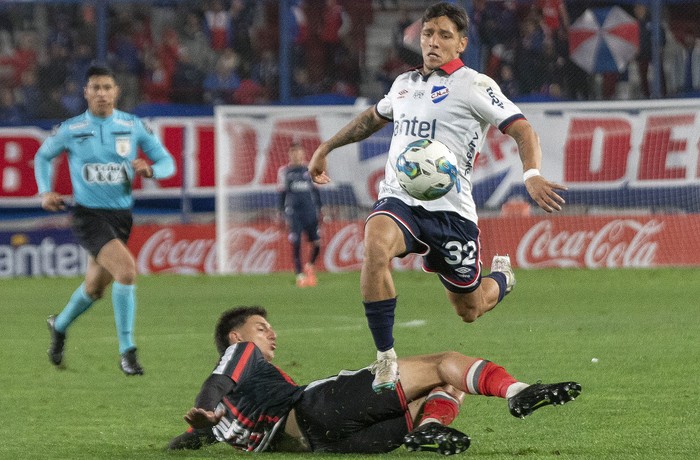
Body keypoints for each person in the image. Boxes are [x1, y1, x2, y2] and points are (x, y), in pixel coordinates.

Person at [308, 2, 568, 392]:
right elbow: (370, 119)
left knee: (471, 309)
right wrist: (326, 146)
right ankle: (386, 360)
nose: (433, 41)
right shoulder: (403, 84)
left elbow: (523, 130)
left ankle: (502, 278)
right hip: (400, 198)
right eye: (428, 33)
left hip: (451, 212)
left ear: (461, 43)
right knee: (375, 246)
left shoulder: (475, 85)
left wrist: (531, 175)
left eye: (445, 35)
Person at [167, 306, 581, 454]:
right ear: (237, 338)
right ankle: (519, 390)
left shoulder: (228, 416)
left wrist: (192, 431)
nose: (271, 334)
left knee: (449, 385)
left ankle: (430, 428)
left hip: (329, 446)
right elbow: (217, 383)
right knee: (446, 362)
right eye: (261, 327)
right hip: (318, 408)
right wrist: (204, 406)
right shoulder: (240, 354)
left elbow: (203, 427)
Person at [34, 64, 176, 375]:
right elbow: (43, 156)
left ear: (116, 92)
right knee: (126, 271)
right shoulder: (71, 130)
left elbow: (167, 162)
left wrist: (151, 170)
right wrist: (45, 191)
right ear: (85, 92)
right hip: (88, 216)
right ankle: (128, 352)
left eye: (106, 87)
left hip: (121, 216)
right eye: (95, 88)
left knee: (95, 288)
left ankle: (59, 325)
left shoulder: (133, 125)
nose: (101, 93)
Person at [277, 143, 322, 287]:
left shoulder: (310, 169)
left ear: (303, 154)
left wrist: (321, 210)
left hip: (310, 212)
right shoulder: (284, 171)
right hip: (294, 213)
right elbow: (282, 193)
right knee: (296, 243)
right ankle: (299, 275)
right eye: (293, 152)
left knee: (317, 243)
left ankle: (310, 265)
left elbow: (316, 192)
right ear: (289, 154)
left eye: (299, 152)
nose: (296, 155)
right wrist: (281, 214)